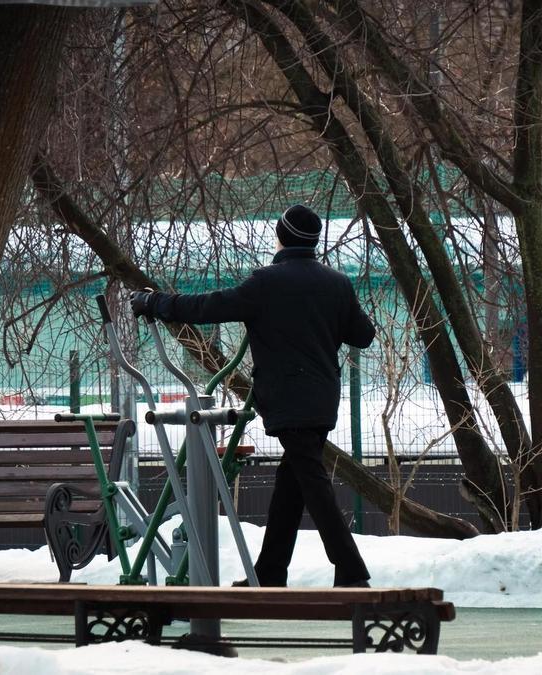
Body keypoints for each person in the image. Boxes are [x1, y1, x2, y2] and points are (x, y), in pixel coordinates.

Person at [130, 204, 375, 588]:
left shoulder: (266, 282)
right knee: (291, 485)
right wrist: (324, 317)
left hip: (286, 398)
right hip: (322, 396)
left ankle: (352, 570)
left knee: (310, 480)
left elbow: (207, 307)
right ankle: (271, 572)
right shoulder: (336, 283)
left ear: (281, 237)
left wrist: (155, 302)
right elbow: (363, 335)